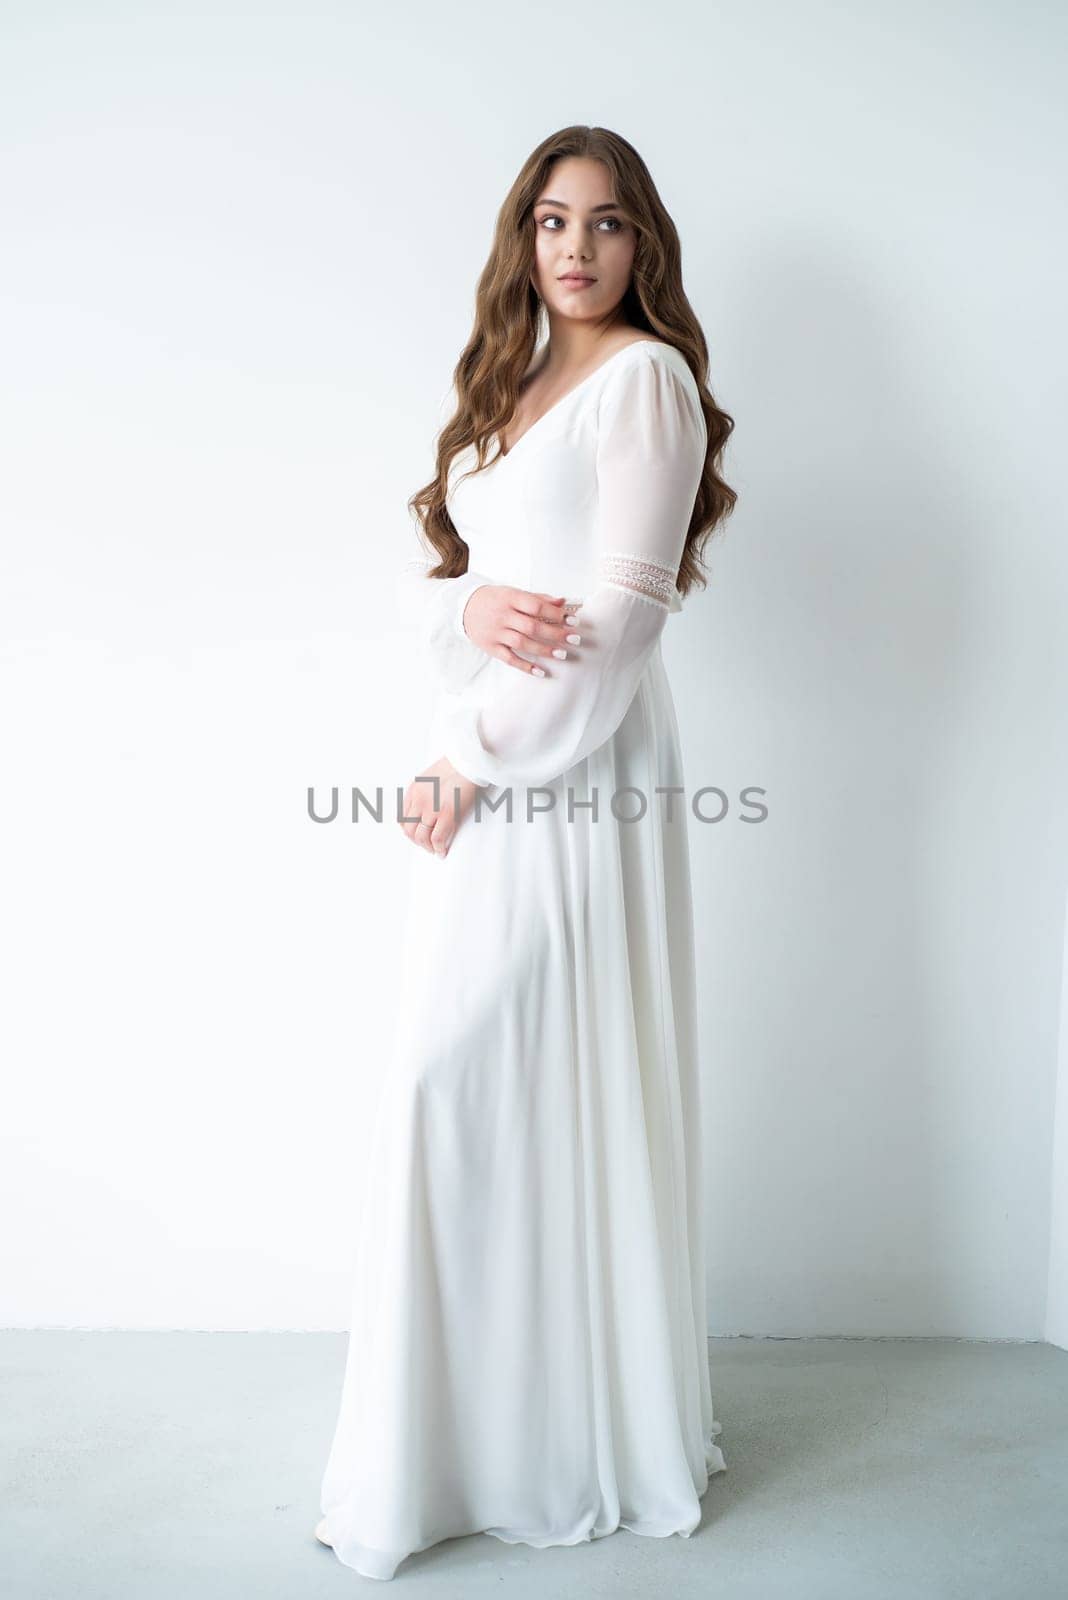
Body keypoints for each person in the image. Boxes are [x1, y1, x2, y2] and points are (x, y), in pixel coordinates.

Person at [316, 123, 737, 1582]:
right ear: (523, 238)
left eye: (608, 224)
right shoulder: (511, 385)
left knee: (491, 1076)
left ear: (645, 246)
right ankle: (466, 1445)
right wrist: (464, 627)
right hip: (493, 770)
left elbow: (616, 629)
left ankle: (575, 1435)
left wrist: (466, 758)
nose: (577, 247)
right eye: (553, 220)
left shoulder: (650, 383)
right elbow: (466, 588)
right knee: (468, 1087)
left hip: (572, 776)